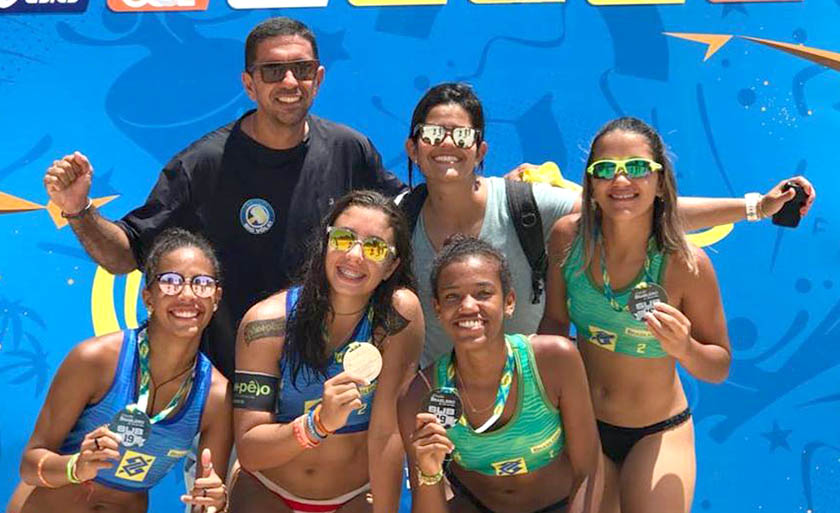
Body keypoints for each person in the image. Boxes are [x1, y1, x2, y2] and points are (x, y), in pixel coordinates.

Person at [42, 16, 404, 381]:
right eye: (273, 71)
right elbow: (123, 255)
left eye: (302, 69)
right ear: (249, 84)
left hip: (330, 375)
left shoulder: (349, 149)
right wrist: (78, 210)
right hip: (234, 378)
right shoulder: (201, 166)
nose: (290, 82)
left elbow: (404, 220)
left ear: (319, 78)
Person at [402, 82, 816, 367]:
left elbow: (635, 210)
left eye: (460, 136)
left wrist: (755, 207)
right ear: (412, 146)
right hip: (443, 406)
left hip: (529, 408)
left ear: (481, 150)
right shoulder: (398, 221)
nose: (446, 146)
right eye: (433, 133)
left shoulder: (523, 205)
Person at [538, 117, 732, 513]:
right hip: (585, 426)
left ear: (661, 183)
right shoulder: (566, 238)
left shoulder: (686, 265)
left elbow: (719, 366)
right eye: (605, 170)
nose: (621, 181)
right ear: (590, 184)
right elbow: (554, 325)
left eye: (639, 168)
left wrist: (685, 347)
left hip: (657, 432)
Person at [229, 190, 423, 513]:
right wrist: (318, 424)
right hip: (266, 490)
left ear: (391, 266)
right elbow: (250, 450)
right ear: (326, 243)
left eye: (375, 247)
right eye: (344, 239)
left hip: (355, 497)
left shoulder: (396, 317)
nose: (355, 256)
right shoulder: (264, 324)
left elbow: (386, 432)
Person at [17, 228, 233, 513]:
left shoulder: (216, 396)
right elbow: (30, 465)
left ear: (216, 299)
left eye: (202, 284)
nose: (187, 294)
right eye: (170, 282)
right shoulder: (95, 360)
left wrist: (216, 503)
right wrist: (75, 466)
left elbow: (205, 504)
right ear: (148, 296)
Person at [398, 235, 601, 513]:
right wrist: (430, 470)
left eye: (483, 293)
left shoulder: (555, 360)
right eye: (452, 296)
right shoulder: (420, 395)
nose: (468, 306)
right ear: (437, 309)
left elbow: (589, 472)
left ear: (509, 301)